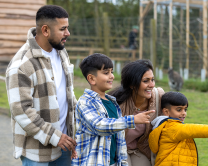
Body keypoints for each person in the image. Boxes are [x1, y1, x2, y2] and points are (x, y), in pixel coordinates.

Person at [5, 5, 77, 166]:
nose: (68, 33)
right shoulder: (21, 64)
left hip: (65, 145)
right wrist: (54, 136)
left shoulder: (61, 53)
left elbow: (69, 95)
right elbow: (21, 110)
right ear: (45, 30)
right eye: (63, 29)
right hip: (36, 153)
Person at [72, 54, 155, 166]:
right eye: (106, 73)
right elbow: (99, 126)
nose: (112, 76)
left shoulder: (112, 103)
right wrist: (132, 120)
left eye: (112, 72)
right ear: (91, 78)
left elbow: (119, 139)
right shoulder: (85, 102)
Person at [108, 59, 165, 166]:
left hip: (140, 149)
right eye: (146, 81)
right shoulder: (116, 104)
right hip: (117, 149)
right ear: (132, 84)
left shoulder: (158, 98)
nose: (151, 85)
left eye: (152, 80)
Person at [149, 92, 208, 166]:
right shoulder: (171, 127)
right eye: (179, 110)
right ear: (166, 111)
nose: (184, 113)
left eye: (185, 109)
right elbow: (190, 129)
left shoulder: (166, 126)